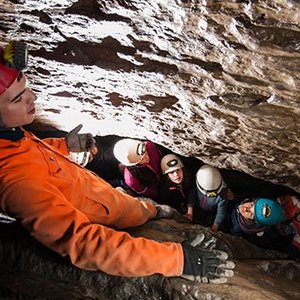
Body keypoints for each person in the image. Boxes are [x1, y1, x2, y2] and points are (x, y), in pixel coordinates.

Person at [0, 40, 235, 281]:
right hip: (111, 213)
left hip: (114, 200)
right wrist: (178, 260)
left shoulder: (11, 135)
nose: (34, 97)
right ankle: (156, 211)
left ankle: (157, 211)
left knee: (148, 209)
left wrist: (64, 147)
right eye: (18, 99)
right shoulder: (19, 185)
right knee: (143, 209)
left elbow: (30, 154)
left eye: (26, 86)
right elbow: (85, 245)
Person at [231, 196, 300, 259]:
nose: (246, 209)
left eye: (251, 214)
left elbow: (292, 251)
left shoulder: (248, 229)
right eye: (251, 205)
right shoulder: (293, 202)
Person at [186, 165, 233, 232]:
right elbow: (192, 195)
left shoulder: (223, 194)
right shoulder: (199, 182)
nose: (211, 195)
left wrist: (215, 226)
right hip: (198, 207)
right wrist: (190, 211)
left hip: (211, 212)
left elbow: (221, 212)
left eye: (213, 194)